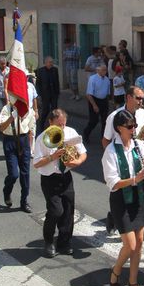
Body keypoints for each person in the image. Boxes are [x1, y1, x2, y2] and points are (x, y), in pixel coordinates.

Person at [102, 110, 144, 286]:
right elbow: (112, 182)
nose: (133, 130)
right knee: (130, 245)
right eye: (130, 127)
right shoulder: (110, 151)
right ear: (119, 129)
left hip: (140, 197)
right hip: (121, 201)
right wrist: (134, 179)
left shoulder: (139, 145)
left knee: (138, 244)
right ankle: (115, 272)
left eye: (134, 126)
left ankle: (133, 281)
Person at [102, 85, 144, 242]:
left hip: (140, 158)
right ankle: (115, 217)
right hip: (122, 162)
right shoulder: (114, 116)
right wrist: (116, 159)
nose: (142, 101)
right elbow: (105, 141)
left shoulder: (143, 114)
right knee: (123, 197)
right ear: (128, 97)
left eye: (142, 98)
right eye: (138, 98)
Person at [33, 108, 87, 258]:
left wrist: (78, 161)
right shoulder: (42, 138)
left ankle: (64, 242)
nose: (62, 128)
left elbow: (83, 152)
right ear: (50, 122)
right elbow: (36, 163)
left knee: (68, 211)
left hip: (65, 176)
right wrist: (53, 157)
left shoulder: (70, 132)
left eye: (63, 124)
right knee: (56, 211)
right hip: (50, 178)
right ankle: (49, 241)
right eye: (58, 125)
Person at [0, 99, 36, 212]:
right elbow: (1, 128)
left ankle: (24, 201)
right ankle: (7, 190)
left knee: (25, 173)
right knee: (14, 174)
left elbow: (30, 130)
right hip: (10, 141)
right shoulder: (7, 109)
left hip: (23, 141)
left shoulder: (30, 110)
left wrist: (30, 147)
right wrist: (12, 117)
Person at [83, 64, 110, 143]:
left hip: (104, 101)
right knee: (94, 121)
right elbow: (88, 94)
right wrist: (94, 105)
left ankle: (104, 139)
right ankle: (86, 133)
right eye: (103, 70)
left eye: (105, 70)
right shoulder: (93, 79)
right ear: (98, 71)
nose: (105, 72)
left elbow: (108, 92)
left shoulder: (107, 80)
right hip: (94, 100)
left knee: (105, 121)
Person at [36, 56, 60, 133]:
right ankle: (41, 126)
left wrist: (58, 92)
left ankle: (54, 126)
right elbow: (38, 84)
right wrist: (39, 95)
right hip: (45, 94)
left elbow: (57, 82)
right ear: (45, 63)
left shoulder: (55, 70)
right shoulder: (40, 71)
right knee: (45, 111)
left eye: (52, 62)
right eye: (50, 62)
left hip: (54, 94)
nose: (51, 64)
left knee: (54, 111)